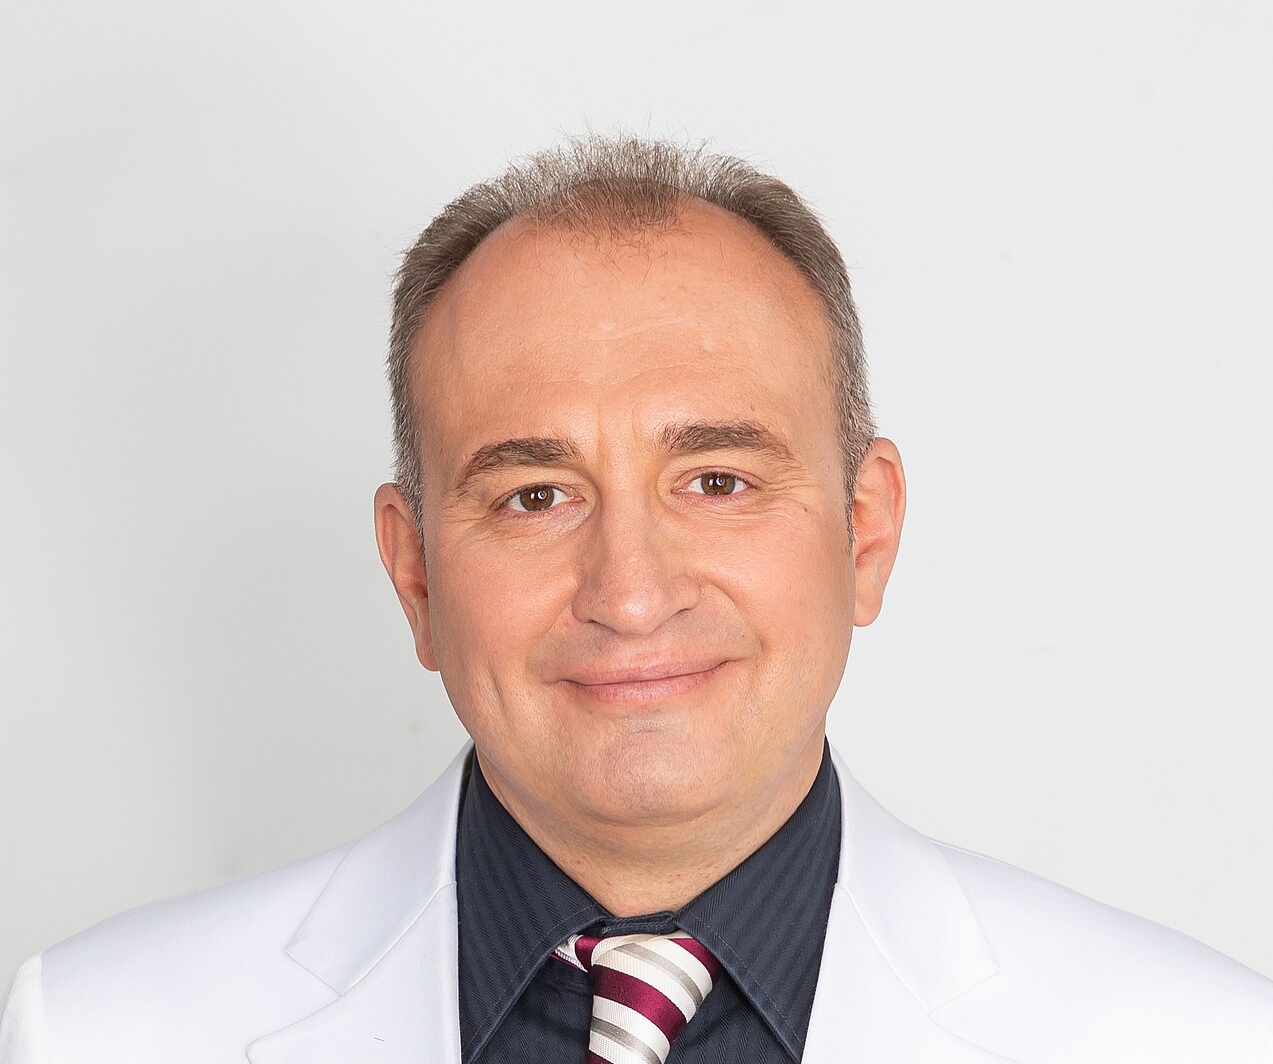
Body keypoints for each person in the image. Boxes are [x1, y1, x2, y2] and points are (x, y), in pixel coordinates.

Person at [2, 136, 1270, 1064]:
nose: (630, 591)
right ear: (416, 572)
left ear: (866, 530)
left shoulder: (1200, 1039)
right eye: (534, 495)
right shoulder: (94, 1032)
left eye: (716, 481)